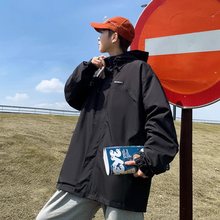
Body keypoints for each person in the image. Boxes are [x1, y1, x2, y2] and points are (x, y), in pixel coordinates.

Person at [36, 16, 178, 220]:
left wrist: (150, 160)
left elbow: (159, 117)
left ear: (114, 37)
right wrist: (87, 69)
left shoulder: (140, 70)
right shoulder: (97, 71)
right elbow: (73, 97)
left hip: (121, 180)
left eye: (101, 32)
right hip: (81, 175)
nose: (97, 37)